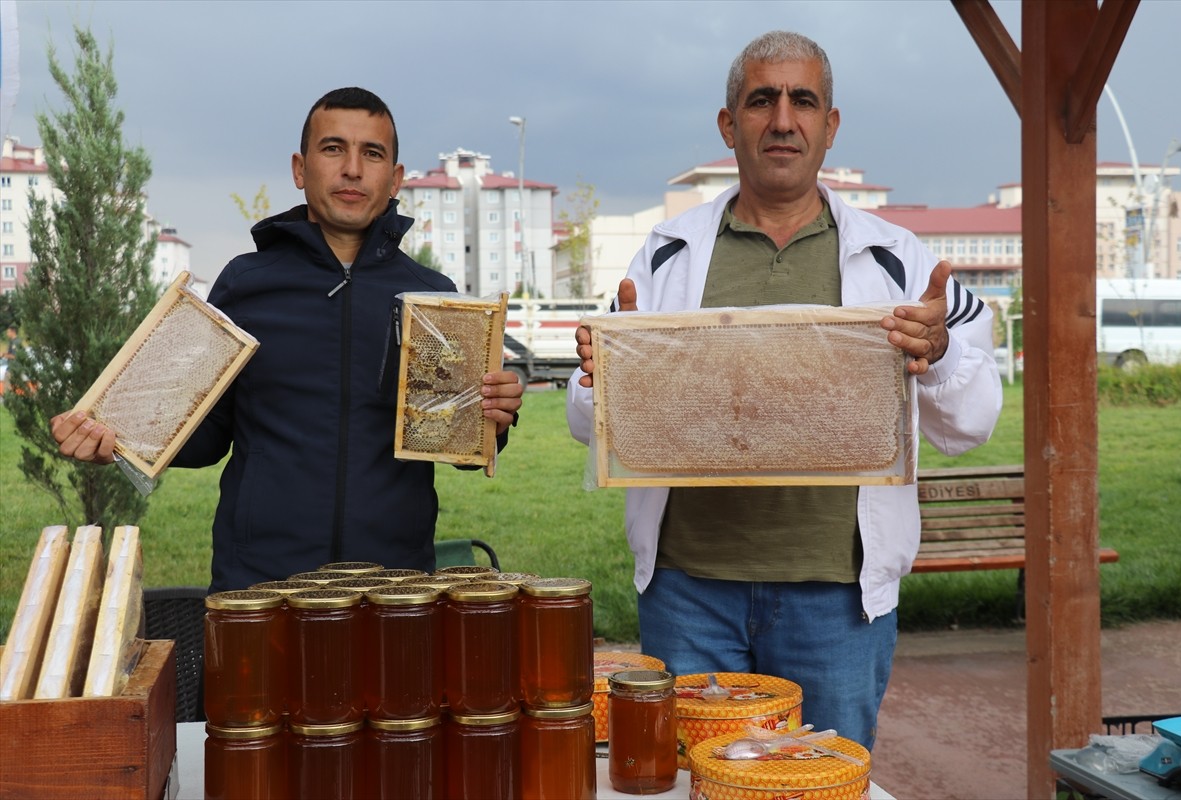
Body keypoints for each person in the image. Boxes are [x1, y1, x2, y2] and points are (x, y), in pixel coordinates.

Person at [567, 32, 1001, 750]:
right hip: (688, 592)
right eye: (761, 99)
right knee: (691, 782)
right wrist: (604, 377)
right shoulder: (667, 253)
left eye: (804, 101)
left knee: (821, 784)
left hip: (837, 603)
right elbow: (592, 427)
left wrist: (944, 349)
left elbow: (972, 424)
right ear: (729, 123)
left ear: (830, 127)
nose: (782, 119)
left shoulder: (900, 259)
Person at [52, 87, 524, 591]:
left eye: (372, 153)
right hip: (260, 585)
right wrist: (119, 439)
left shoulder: (434, 300)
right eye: (333, 148)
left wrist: (493, 419)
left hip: (394, 588)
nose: (352, 169)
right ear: (300, 169)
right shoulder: (246, 283)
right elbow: (208, 432)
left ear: (395, 179)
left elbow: (456, 443)